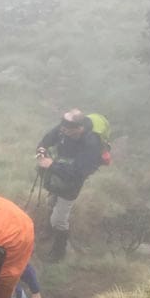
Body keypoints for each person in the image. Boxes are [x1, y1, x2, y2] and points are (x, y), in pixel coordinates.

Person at [35, 108, 104, 262]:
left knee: (59, 219)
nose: (63, 131)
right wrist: (41, 150)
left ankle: (59, 252)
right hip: (58, 175)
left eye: (67, 130)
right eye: (62, 128)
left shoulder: (91, 143)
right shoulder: (63, 129)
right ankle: (49, 230)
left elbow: (78, 173)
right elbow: (46, 140)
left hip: (72, 185)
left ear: (79, 128)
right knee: (51, 202)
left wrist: (51, 165)